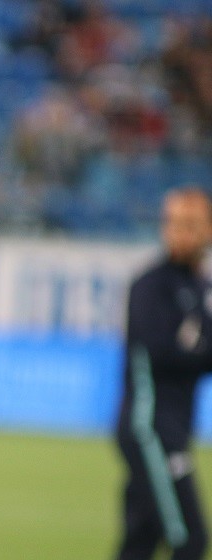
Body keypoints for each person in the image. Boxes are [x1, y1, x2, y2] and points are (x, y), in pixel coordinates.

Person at [114, 187, 212, 559]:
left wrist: (196, 348)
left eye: (193, 225)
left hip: (175, 425)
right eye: (176, 224)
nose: (183, 233)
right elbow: (159, 351)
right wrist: (197, 348)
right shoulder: (150, 286)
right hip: (149, 427)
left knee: (140, 541)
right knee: (189, 538)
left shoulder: (202, 287)